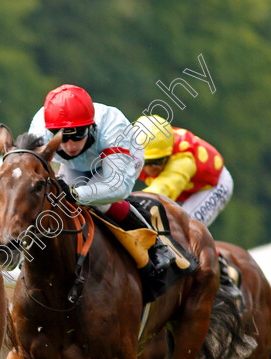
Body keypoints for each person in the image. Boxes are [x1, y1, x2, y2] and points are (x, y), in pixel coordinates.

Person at [27, 84, 175, 276]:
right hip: (76, 166)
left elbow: (116, 186)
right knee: (54, 203)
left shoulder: (112, 127)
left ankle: (156, 244)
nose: (70, 145)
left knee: (99, 202)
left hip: (120, 161)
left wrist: (75, 194)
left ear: (91, 125)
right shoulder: (40, 127)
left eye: (78, 134)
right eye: (62, 137)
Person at [135, 114, 241, 300]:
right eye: (146, 162)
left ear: (168, 155)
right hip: (184, 187)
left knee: (185, 230)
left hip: (212, 185)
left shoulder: (183, 160)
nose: (150, 169)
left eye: (157, 162)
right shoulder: (132, 150)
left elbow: (161, 191)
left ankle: (223, 273)